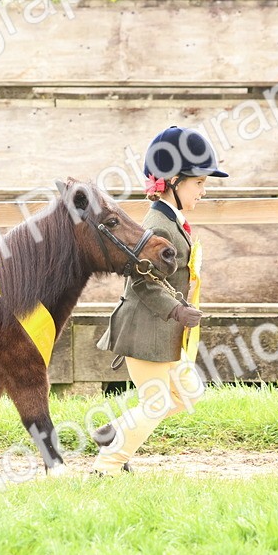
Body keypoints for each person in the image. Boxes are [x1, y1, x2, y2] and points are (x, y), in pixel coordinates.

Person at [92, 126, 229, 475]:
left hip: (164, 332)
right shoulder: (157, 225)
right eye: (198, 182)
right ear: (172, 182)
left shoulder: (172, 219)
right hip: (146, 330)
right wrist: (178, 309)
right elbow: (141, 281)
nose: (203, 189)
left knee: (189, 394)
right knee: (156, 402)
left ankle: (118, 432)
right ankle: (107, 466)